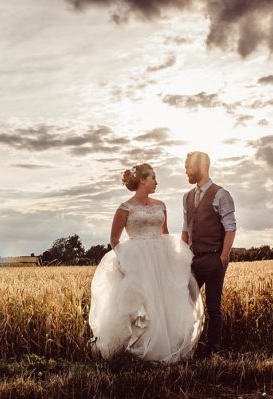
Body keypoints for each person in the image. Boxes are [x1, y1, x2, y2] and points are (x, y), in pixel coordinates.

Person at [89, 163, 204, 363]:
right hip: (137, 259)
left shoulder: (161, 205)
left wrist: (173, 258)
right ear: (142, 180)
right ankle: (137, 351)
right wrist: (125, 260)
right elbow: (114, 239)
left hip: (160, 257)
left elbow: (165, 233)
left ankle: (165, 350)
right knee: (143, 303)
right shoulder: (125, 208)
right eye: (153, 178)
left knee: (164, 302)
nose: (156, 182)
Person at [181, 152, 236, 357]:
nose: (186, 171)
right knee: (184, 303)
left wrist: (223, 257)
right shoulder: (187, 196)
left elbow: (230, 228)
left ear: (201, 166)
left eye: (188, 166)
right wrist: (181, 256)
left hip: (213, 258)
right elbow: (186, 229)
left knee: (214, 307)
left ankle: (213, 350)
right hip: (192, 259)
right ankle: (186, 346)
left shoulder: (221, 195)